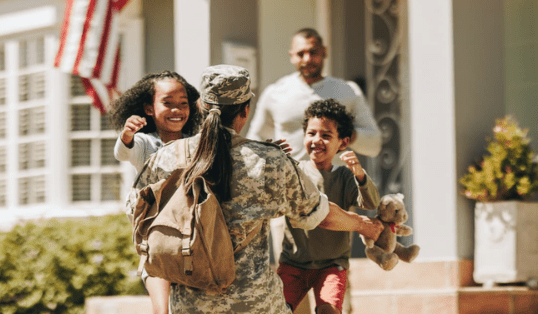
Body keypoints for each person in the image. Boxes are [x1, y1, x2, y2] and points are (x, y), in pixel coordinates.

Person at [128, 64, 383, 313]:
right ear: (245, 110)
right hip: (256, 305)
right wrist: (365, 225)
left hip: (189, 306)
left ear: (200, 106)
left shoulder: (166, 157)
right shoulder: (268, 161)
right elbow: (319, 214)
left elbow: (137, 215)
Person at [110, 70, 201, 314]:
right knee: (161, 299)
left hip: (192, 234)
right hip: (156, 233)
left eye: (183, 104)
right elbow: (123, 151)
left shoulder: (196, 142)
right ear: (149, 109)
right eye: (167, 103)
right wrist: (127, 133)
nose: (176, 110)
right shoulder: (146, 143)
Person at [278, 99, 380, 314]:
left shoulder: (344, 176)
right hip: (294, 264)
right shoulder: (294, 171)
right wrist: (273, 158)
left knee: (329, 310)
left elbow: (371, 203)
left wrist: (359, 174)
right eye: (311, 133)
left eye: (326, 135)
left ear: (343, 143)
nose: (317, 140)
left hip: (332, 265)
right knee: (278, 309)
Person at [247, 28, 381, 161]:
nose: (307, 59)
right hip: (288, 174)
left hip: (333, 175)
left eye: (313, 52)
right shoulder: (274, 93)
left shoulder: (348, 90)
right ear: (291, 56)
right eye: (300, 54)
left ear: (324, 52)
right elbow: (255, 141)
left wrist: (344, 131)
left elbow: (374, 145)